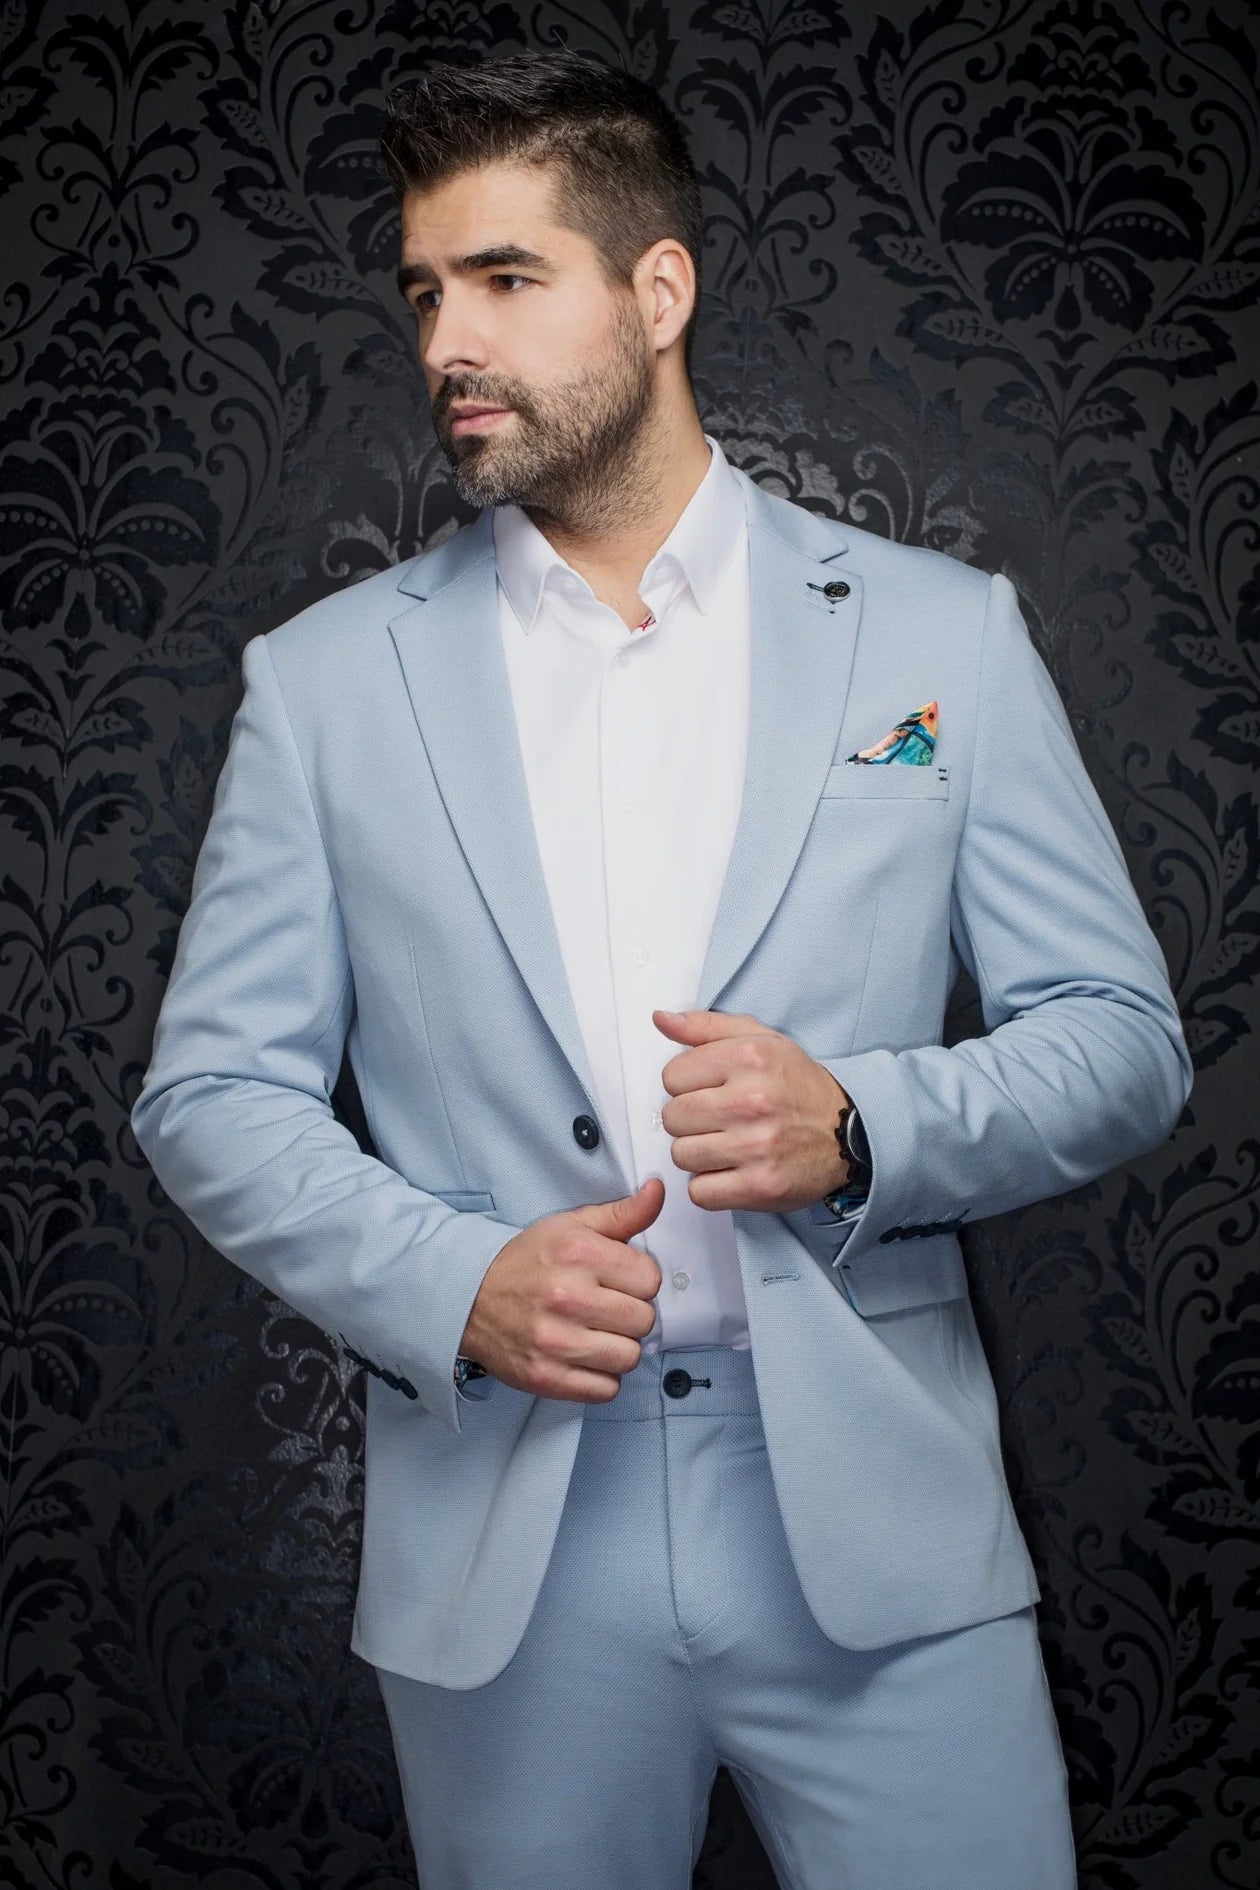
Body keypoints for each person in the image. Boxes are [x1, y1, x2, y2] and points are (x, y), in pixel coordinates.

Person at [130, 46, 1193, 1890]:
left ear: (660, 289)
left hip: (882, 1527)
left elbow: (1122, 1041)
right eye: (424, 290)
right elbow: (210, 1093)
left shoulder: (940, 636)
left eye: (505, 277)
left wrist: (860, 1121)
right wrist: (455, 1277)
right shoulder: (324, 684)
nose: (449, 339)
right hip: (512, 1553)